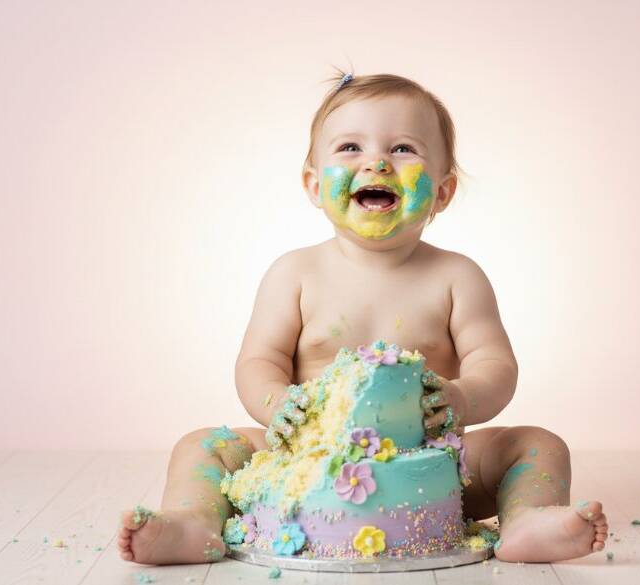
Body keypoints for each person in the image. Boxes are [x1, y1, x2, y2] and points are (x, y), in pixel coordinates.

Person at [118, 71, 608, 565]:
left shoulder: (457, 276)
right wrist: (277, 405)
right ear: (313, 184)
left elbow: (496, 365)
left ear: (442, 192)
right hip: (301, 458)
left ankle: (527, 519)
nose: (376, 161)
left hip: (433, 465)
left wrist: (460, 397)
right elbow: (257, 360)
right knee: (203, 445)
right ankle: (191, 523)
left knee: (537, 444)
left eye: (402, 149)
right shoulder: (296, 273)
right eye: (350, 147)